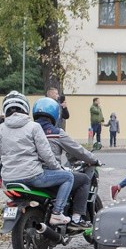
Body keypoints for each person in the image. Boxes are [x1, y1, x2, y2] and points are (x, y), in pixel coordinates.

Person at [0, 91, 74, 226]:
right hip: (32, 176)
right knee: (68, 177)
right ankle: (57, 213)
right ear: (26, 107)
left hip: (8, 179)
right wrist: (57, 168)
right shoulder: (34, 127)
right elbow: (46, 154)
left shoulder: (1, 128)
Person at [32, 97, 98, 228]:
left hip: (30, 173)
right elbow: (77, 150)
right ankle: (76, 218)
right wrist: (94, 159)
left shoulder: (29, 130)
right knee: (83, 179)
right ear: (55, 114)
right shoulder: (57, 133)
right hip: (48, 175)